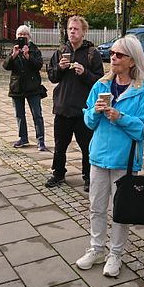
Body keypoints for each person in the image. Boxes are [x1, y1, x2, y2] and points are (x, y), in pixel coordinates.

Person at [76, 34, 144, 277]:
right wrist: (96, 113)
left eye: (119, 54)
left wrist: (120, 118)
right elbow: (88, 122)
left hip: (125, 161)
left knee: (121, 211)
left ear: (132, 60)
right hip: (99, 156)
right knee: (96, 207)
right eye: (111, 53)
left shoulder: (143, 90)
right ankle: (97, 248)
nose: (113, 58)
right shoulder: (100, 85)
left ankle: (115, 254)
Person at [46, 16, 104, 191]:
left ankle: (88, 176)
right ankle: (58, 173)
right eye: (70, 28)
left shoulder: (92, 53)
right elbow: (51, 77)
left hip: (83, 110)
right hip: (63, 107)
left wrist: (84, 72)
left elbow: (100, 81)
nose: (72, 32)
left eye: (76, 29)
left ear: (83, 32)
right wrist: (60, 68)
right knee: (59, 145)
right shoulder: (61, 51)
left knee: (87, 147)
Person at [3, 25, 47, 151]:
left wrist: (28, 56)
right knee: (19, 114)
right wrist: (13, 55)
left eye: (24, 34)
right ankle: (23, 138)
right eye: (20, 35)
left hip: (33, 87)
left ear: (29, 36)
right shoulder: (14, 49)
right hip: (17, 87)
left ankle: (41, 140)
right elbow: (5, 66)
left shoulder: (34, 49)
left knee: (37, 114)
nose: (22, 37)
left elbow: (38, 65)